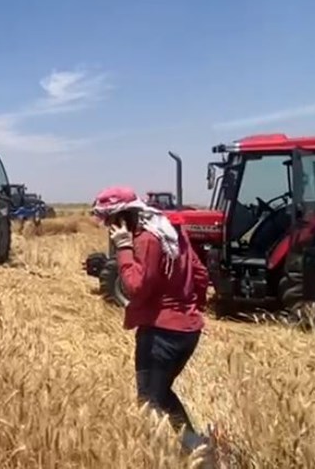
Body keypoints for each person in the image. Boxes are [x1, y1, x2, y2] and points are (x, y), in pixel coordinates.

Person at [90, 186, 213, 457]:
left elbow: (135, 286)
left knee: (150, 398)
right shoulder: (169, 230)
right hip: (187, 331)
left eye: (109, 221)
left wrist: (123, 248)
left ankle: (194, 453)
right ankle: (195, 447)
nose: (108, 228)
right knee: (161, 392)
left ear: (122, 218)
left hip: (161, 333)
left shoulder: (146, 239)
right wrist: (192, 308)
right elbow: (201, 274)